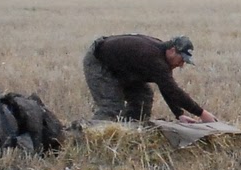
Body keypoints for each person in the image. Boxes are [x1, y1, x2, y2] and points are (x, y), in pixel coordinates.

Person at [82, 33, 218, 124]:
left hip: (124, 68)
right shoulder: (154, 59)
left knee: (143, 98)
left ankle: (129, 132)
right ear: (172, 50)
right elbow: (173, 90)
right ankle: (90, 136)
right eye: (181, 59)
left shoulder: (161, 56)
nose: (181, 64)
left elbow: (166, 87)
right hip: (99, 61)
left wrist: (179, 114)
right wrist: (202, 113)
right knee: (111, 107)